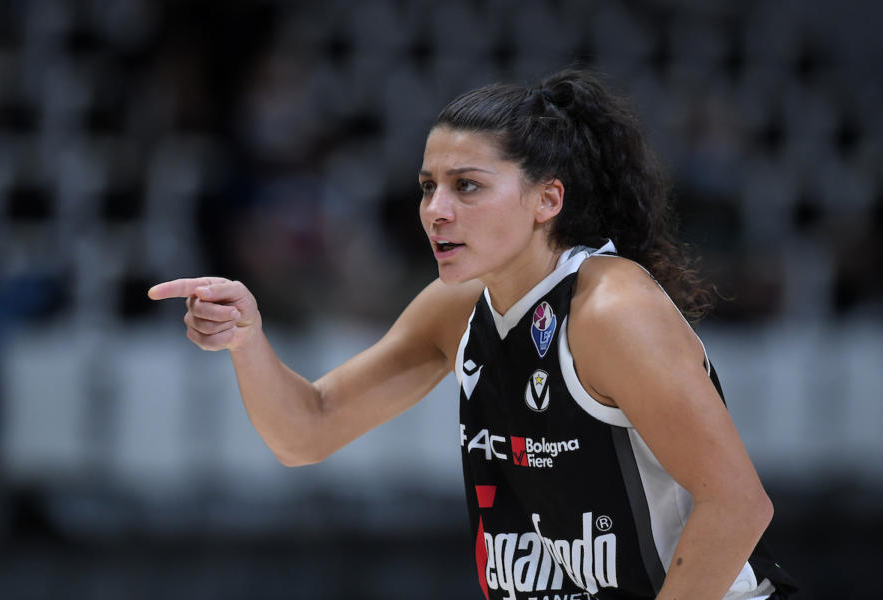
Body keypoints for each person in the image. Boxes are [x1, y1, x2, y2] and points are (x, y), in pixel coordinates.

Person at [149, 67, 797, 600]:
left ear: (547, 200)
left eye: (467, 187)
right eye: (428, 187)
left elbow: (737, 506)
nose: (436, 210)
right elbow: (307, 429)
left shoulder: (611, 310)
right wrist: (247, 341)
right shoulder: (458, 307)